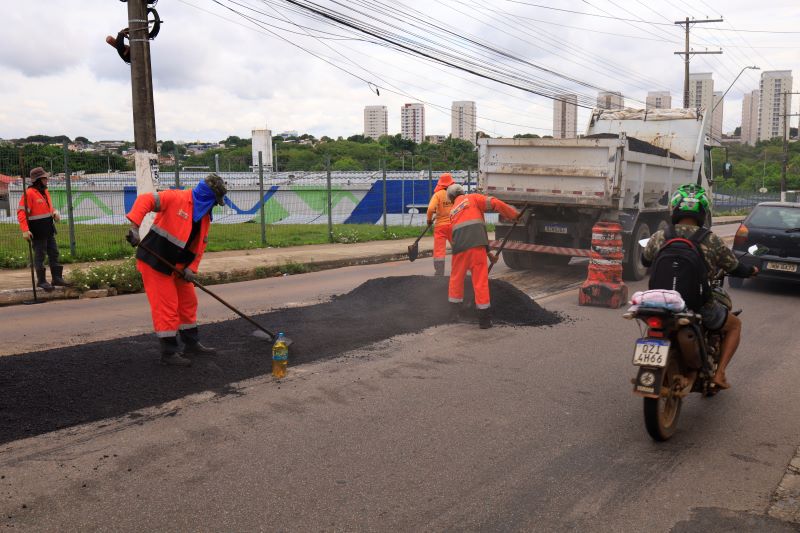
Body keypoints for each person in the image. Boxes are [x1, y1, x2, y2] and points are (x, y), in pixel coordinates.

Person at [641, 184, 757, 389]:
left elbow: (645, 261)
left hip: (659, 303)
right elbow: (735, 267)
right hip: (697, 304)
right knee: (735, 326)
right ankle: (719, 374)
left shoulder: (660, 236)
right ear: (703, 212)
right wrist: (751, 271)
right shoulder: (711, 240)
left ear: (675, 209)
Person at [125, 174, 227, 366]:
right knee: (167, 307)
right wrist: (135, 227)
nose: (214, 206)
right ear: (206, 196)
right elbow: (146, 200)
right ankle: (169, 352)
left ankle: (191, 344)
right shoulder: (176, 198)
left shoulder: (204, 217)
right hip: (156, 262)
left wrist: (192, 268)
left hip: (179, 266)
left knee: (188, 302)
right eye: (214, 201)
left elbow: (201, 245)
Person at [447, 183, 520, 329]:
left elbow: (464, 233)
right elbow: (494, 203)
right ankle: (484, 320)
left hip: (459, 250)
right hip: (477, 248)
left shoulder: (452, 212)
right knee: (480, 282)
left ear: (451, 199)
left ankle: (453, 314)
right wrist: (513, 215)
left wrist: (489, 254)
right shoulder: (473, 198)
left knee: (456, 279)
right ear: (462, 192)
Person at [17, 167, 67, 291]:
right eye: (45, 178)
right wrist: (25, 230)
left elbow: (49, 208)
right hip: (37, 231)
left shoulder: (45, 192)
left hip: (49, 229)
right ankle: (42, 281)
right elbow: (21, 213)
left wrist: (54, 212)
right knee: (40, 255)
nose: (47, 180)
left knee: (54, 253)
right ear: (39, 180)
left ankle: (57, 278)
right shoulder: (29, 194)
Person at [426, 172, 455, 276]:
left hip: (440, 226)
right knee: (457, 248)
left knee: (439, 251)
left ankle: (439, 272)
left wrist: (429, 220)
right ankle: (459, 270)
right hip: (454, 225)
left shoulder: (438, 195)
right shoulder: (454, 194)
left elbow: (430, 209)